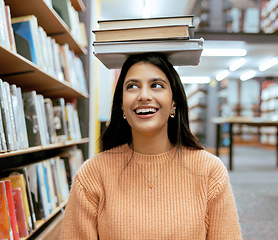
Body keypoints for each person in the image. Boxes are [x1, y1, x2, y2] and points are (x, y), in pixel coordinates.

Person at [61, 52, 242, 239]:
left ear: (174, 103)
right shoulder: (92, 174)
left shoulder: (210, 171)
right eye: (132, 86)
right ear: (122, 105)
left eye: (156, 85)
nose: (144, 96)